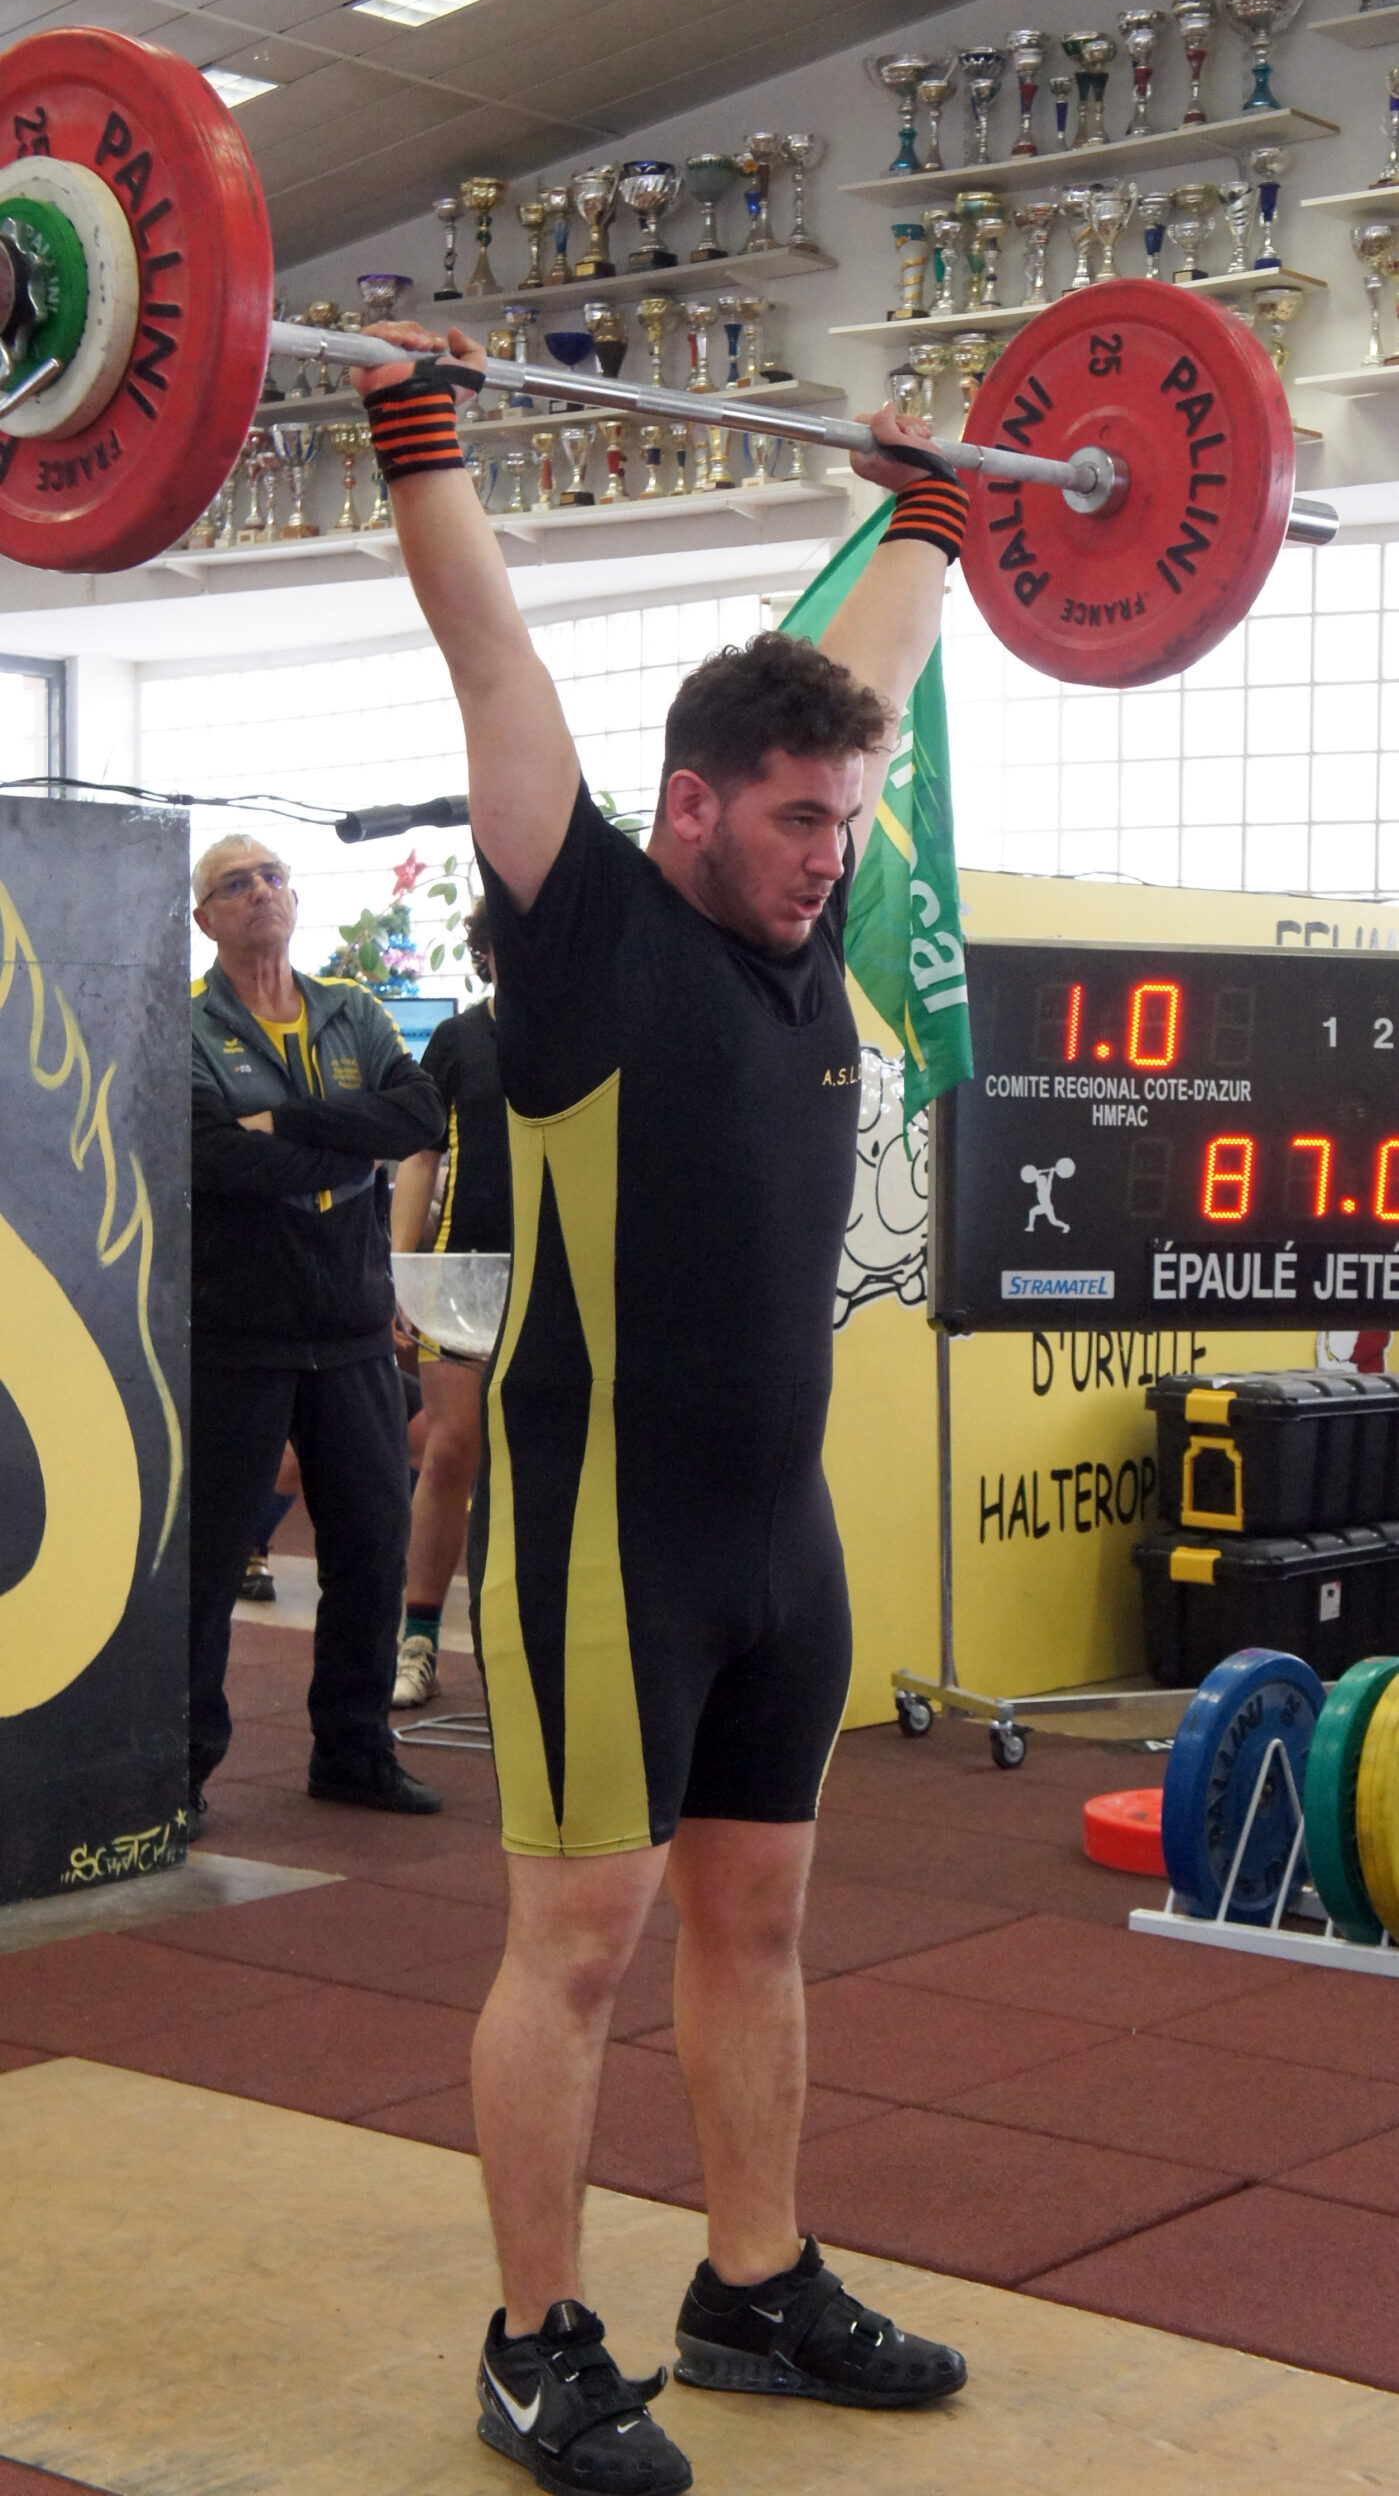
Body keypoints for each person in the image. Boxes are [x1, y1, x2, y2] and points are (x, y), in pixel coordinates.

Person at [354, 325, 971, 2496]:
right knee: (577, 1943)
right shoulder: (589, 931)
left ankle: (753, 2280)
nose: (830, 854)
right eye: (798, 819)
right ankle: (535, 2341)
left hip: (777, 1544)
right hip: (603, 1540)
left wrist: (933, 504)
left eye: (848, 818)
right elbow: (491, 651)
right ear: (687, 806)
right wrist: (419, 434)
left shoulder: (807, 904)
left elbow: (878, 650)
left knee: (759, 1918)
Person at [189, 834, 447, 1828]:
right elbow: (212, 1160)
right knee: (207, 1562)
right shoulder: (187, 1026)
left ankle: (353, 1752)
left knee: (372, 1548)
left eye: (273, 876)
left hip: (350, 1331)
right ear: (205, 918)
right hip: (236, 1331)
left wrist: (286, 1125)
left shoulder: (352, 1009)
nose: (261, 891)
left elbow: (417, 1114)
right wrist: (348, 1144)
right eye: (236, 883)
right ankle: (180, 1768)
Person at [390, 898, 509, 1709]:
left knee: (549, 1464)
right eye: (508, 941)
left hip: (561, 1278)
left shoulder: (590, 1034)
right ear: (486, 952)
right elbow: (421, 1157)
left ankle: (528, 1645)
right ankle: (418, 1639)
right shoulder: (458, 1039)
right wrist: (403, 1270)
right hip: (464, 1276)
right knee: (451, 1449)